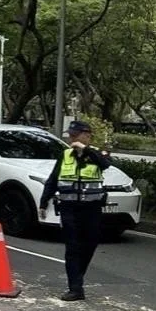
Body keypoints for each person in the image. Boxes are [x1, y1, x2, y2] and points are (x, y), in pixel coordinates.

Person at [38, 120, 112, 301]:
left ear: (87, 136)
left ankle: (77, 276)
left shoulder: (97, 154)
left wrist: (85, 150)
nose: (71, 139)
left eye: (75, 135)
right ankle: (75, 288)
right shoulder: (65, 155)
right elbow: (53, 180)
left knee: (90, 244)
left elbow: (105, 164)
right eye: (70, 135)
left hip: (92, 209)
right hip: (69, 208)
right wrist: (43, 202)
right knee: (72, 247)